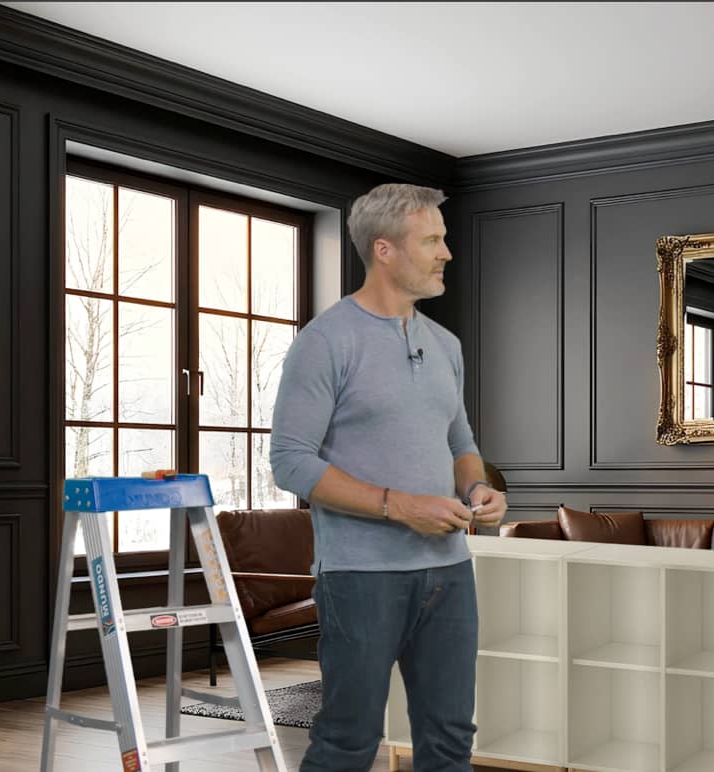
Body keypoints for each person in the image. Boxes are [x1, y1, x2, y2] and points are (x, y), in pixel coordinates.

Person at [270, 182, 505, 772]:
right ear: (384, 250)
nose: (446, 252)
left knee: (451, 740)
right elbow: (290, 462)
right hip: (360, 577)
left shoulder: (445, 345)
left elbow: (460, 443)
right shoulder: (325, 342)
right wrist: (401, 506)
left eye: (443, 239)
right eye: (432, 240)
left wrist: (475, 488)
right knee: (348, 741)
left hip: (449, 572)